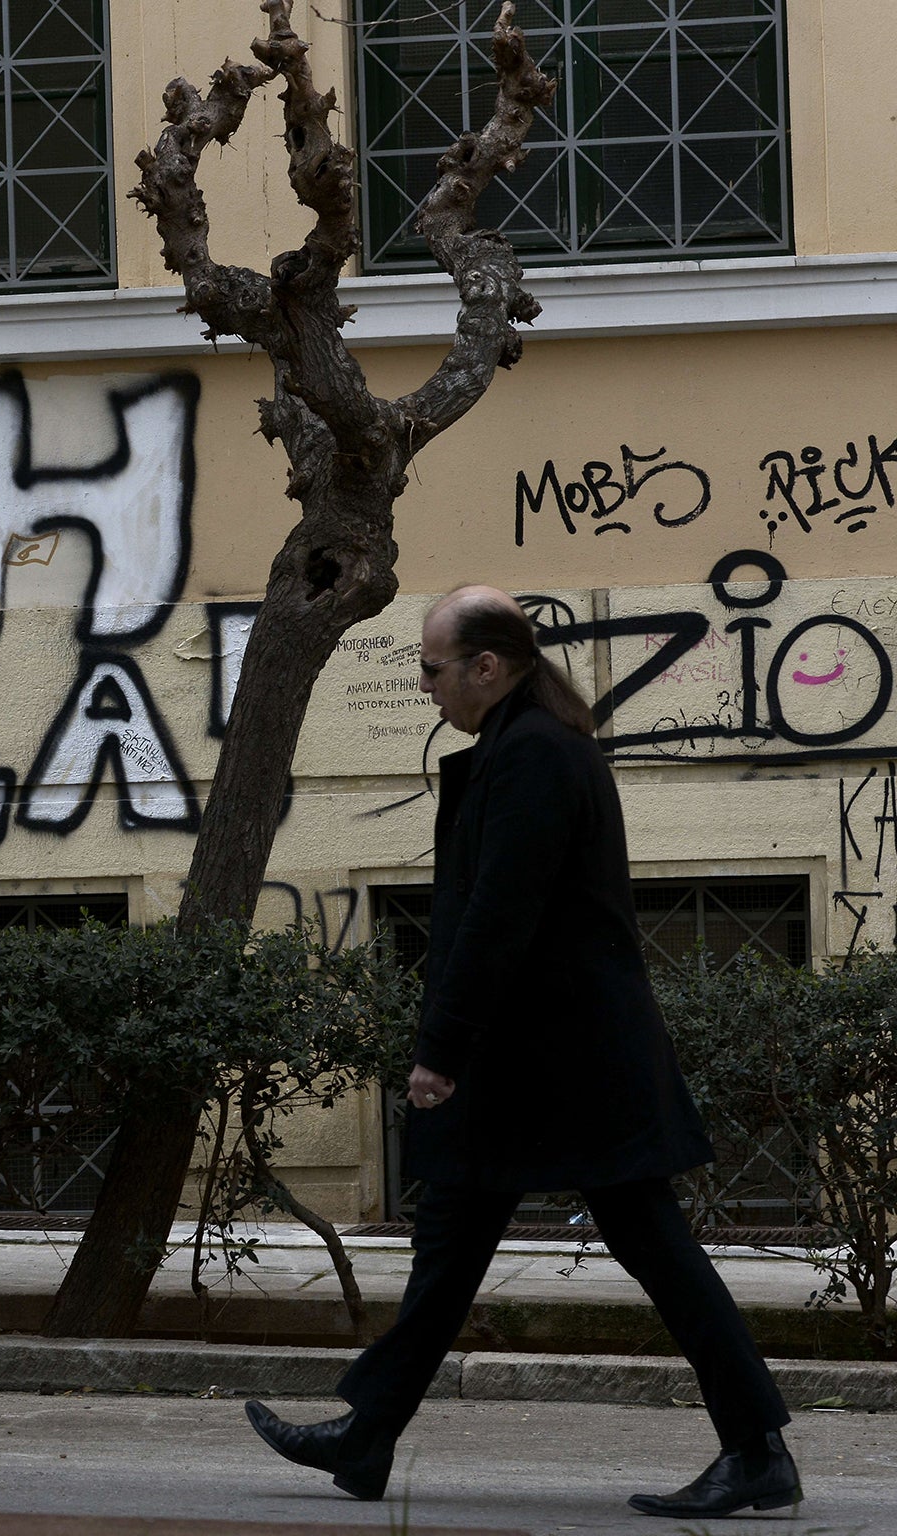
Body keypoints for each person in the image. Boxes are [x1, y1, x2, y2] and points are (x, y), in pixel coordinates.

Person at [242, 586, 800, 1518]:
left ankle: (757, 1448)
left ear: (486, 668)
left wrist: (441, 1047)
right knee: (451, 1241)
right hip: (534, 1061)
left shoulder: (536, 756)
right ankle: (367, 1433)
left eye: (432, 669)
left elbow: (499, 918)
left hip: (562, 1065)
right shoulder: (527, 747)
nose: (426, 688)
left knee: (655, 1246)